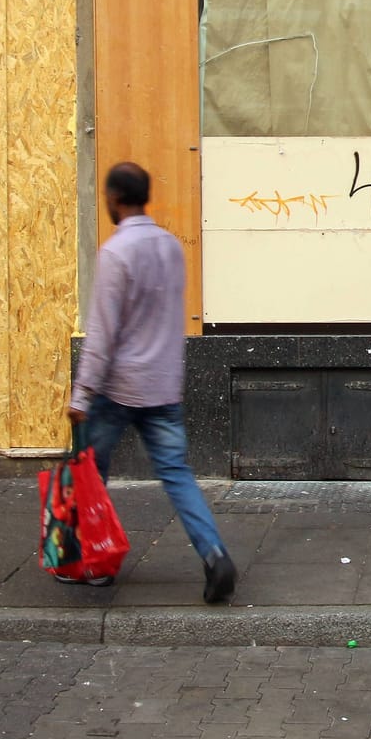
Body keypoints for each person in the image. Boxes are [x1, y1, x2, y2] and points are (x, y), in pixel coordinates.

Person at [69, 162, 237, 605]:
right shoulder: (170, 248)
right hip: (162, 385)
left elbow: (103, 332)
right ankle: (215, 556)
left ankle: (97, 564)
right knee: (178, 474)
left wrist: (82, 393)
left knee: (93, 473)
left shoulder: (116, 253)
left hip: (118, 387)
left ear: (114, 198)